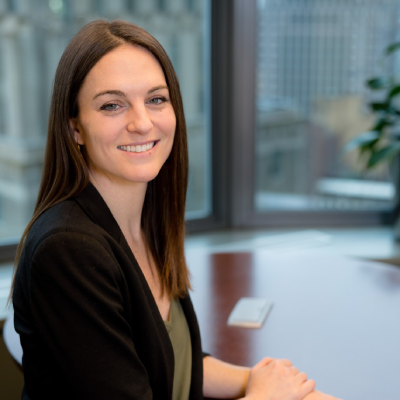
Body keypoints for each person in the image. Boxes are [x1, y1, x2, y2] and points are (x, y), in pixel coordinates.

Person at [10, 20, 340, 400]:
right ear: (75, 130)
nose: (142, 122)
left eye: (156, 99)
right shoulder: (69, 249)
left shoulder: (145, 221)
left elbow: (174, 362)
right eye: (112, 105)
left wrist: (262, 381)